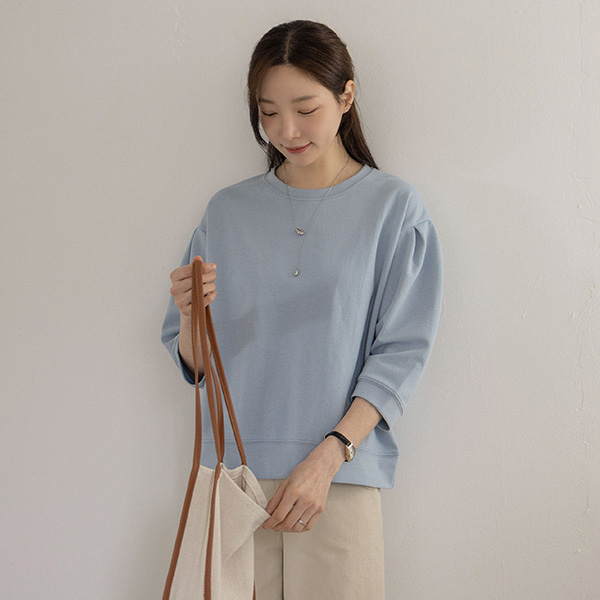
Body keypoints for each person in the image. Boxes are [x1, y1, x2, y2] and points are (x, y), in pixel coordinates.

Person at [161, 19, 443, 600]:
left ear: (346, 95)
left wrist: (331, 455)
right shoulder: (227, 212)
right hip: (235, 483)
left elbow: (402, 353)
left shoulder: (393, 209)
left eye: (305, 109)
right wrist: (190, 318)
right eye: (268, 112)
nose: (285, 130)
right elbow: (198, 366)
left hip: (337, 479)